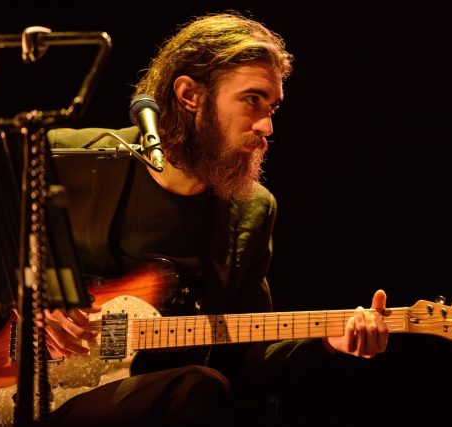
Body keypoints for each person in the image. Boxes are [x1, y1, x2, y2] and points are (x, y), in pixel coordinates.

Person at [44, 11, 389, 426]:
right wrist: (30, 306)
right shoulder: (71, 158)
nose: (267, 125)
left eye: (273, 106)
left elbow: (248, 355)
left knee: (208, 389)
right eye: (252, 100)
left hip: (155, 400)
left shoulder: (252, 209)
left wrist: (331, 343)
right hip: (38, 392)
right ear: (190, 94)